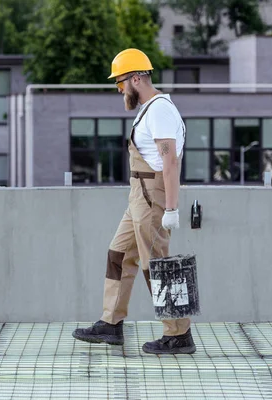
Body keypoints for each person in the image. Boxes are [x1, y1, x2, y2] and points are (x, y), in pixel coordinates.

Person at [72, 48, 196, 355]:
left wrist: (171, 208)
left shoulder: (160, 110)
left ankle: (179, 334)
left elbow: (170, 163)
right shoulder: (148, 109)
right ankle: (111, 323)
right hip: (138, 195)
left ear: (137, 78)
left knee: (158, 266)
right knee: (118, 254)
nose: (119, 89)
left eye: (120, 82)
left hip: (152, 196)